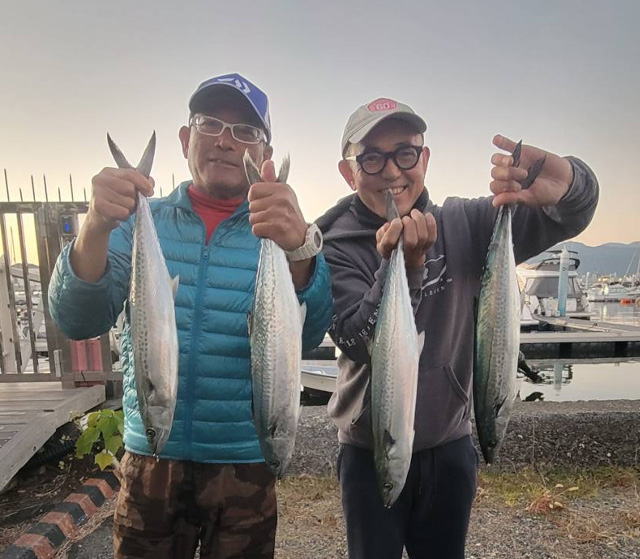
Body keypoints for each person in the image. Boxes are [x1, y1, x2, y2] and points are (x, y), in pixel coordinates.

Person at [48, 73, 332, 559]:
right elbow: (77, 320)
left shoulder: (283, 233)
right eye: (210, 124)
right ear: (185, 139)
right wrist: (94, 226)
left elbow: (309, 336)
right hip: (151, 461)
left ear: (264, 153)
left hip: (245, 463)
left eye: (245, 131)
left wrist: (301, 249)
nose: (225, 140)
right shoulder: (137, 222)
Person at [317, 97, 598, 559]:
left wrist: (569, 182)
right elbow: (357, 340)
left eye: (405, 153)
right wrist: (405, 269)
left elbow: (570, 214)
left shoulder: (468, 222)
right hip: (371, 451)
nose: (392, 171)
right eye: (371, 158)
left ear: (424, 158)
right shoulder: (335, 246)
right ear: (349, 172)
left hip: (450, 446)